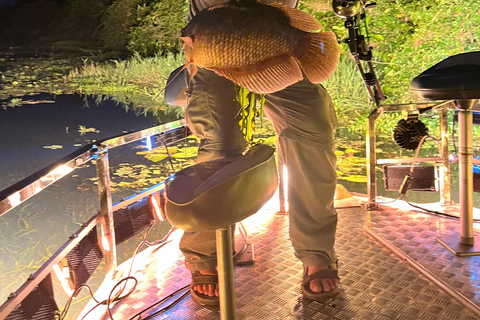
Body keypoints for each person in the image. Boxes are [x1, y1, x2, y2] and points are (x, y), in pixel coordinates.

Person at [178, 0, 340, 305]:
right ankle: (203, 256)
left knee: (313, 133)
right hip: (214, 46)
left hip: (276, 43)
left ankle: (316, 252)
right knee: (218, 142)